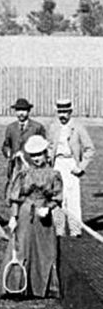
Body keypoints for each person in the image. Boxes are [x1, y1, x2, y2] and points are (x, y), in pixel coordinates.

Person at [0, 135, 63, 299]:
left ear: (45, 154)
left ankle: (43, 288)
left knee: (45, 250)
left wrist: (48, 208)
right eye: (33, 155)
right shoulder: (24, 174)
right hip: (26, 214)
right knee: (22, 248)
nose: (36, 159)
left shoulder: (53, 174)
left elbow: (57, 198)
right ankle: (18, 286)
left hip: (44, 218)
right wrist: (13, 217)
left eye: (39, 154)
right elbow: (16, 197)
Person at [47, 99, 95, 237]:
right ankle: (59, 230)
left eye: (65, 112)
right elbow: (50, 146)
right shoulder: (53, 127)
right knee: (57, 198)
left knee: (73, 199)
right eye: (60, 112)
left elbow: (90, 149)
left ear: (70, 112)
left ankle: (75, 230)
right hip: (57, 164)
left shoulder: (78, 127)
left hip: (71, 164)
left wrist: (80, 167)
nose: (62, 115)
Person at [2, 98, 47, 191]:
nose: (21, 113)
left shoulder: (37, 127)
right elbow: (6, 145)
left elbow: (44, 147)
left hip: (32, 165)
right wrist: (9, 153)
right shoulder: (11, 128)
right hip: (15, 167)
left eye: (23, 110)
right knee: (14, 191)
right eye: (18, 110)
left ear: (28, 111)